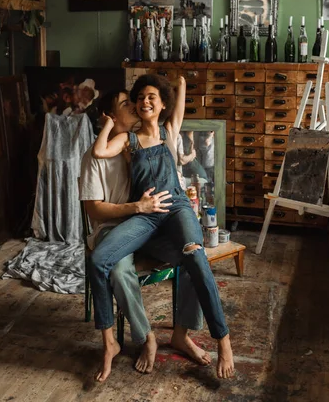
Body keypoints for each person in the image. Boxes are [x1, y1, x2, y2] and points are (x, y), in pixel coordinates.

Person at [91, 74, 234, 379]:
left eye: (151, 96)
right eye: (140, 97)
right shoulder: (128, 140)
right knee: (99, 259)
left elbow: (180, 95)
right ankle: (109, 343)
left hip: (176, 209)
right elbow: (99, 152)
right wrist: (106, 124)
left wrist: (180, 80)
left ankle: (223, 341)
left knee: (196, 255)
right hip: (144, 216)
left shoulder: (170, 132)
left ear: (162, 104)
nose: (144, 101)